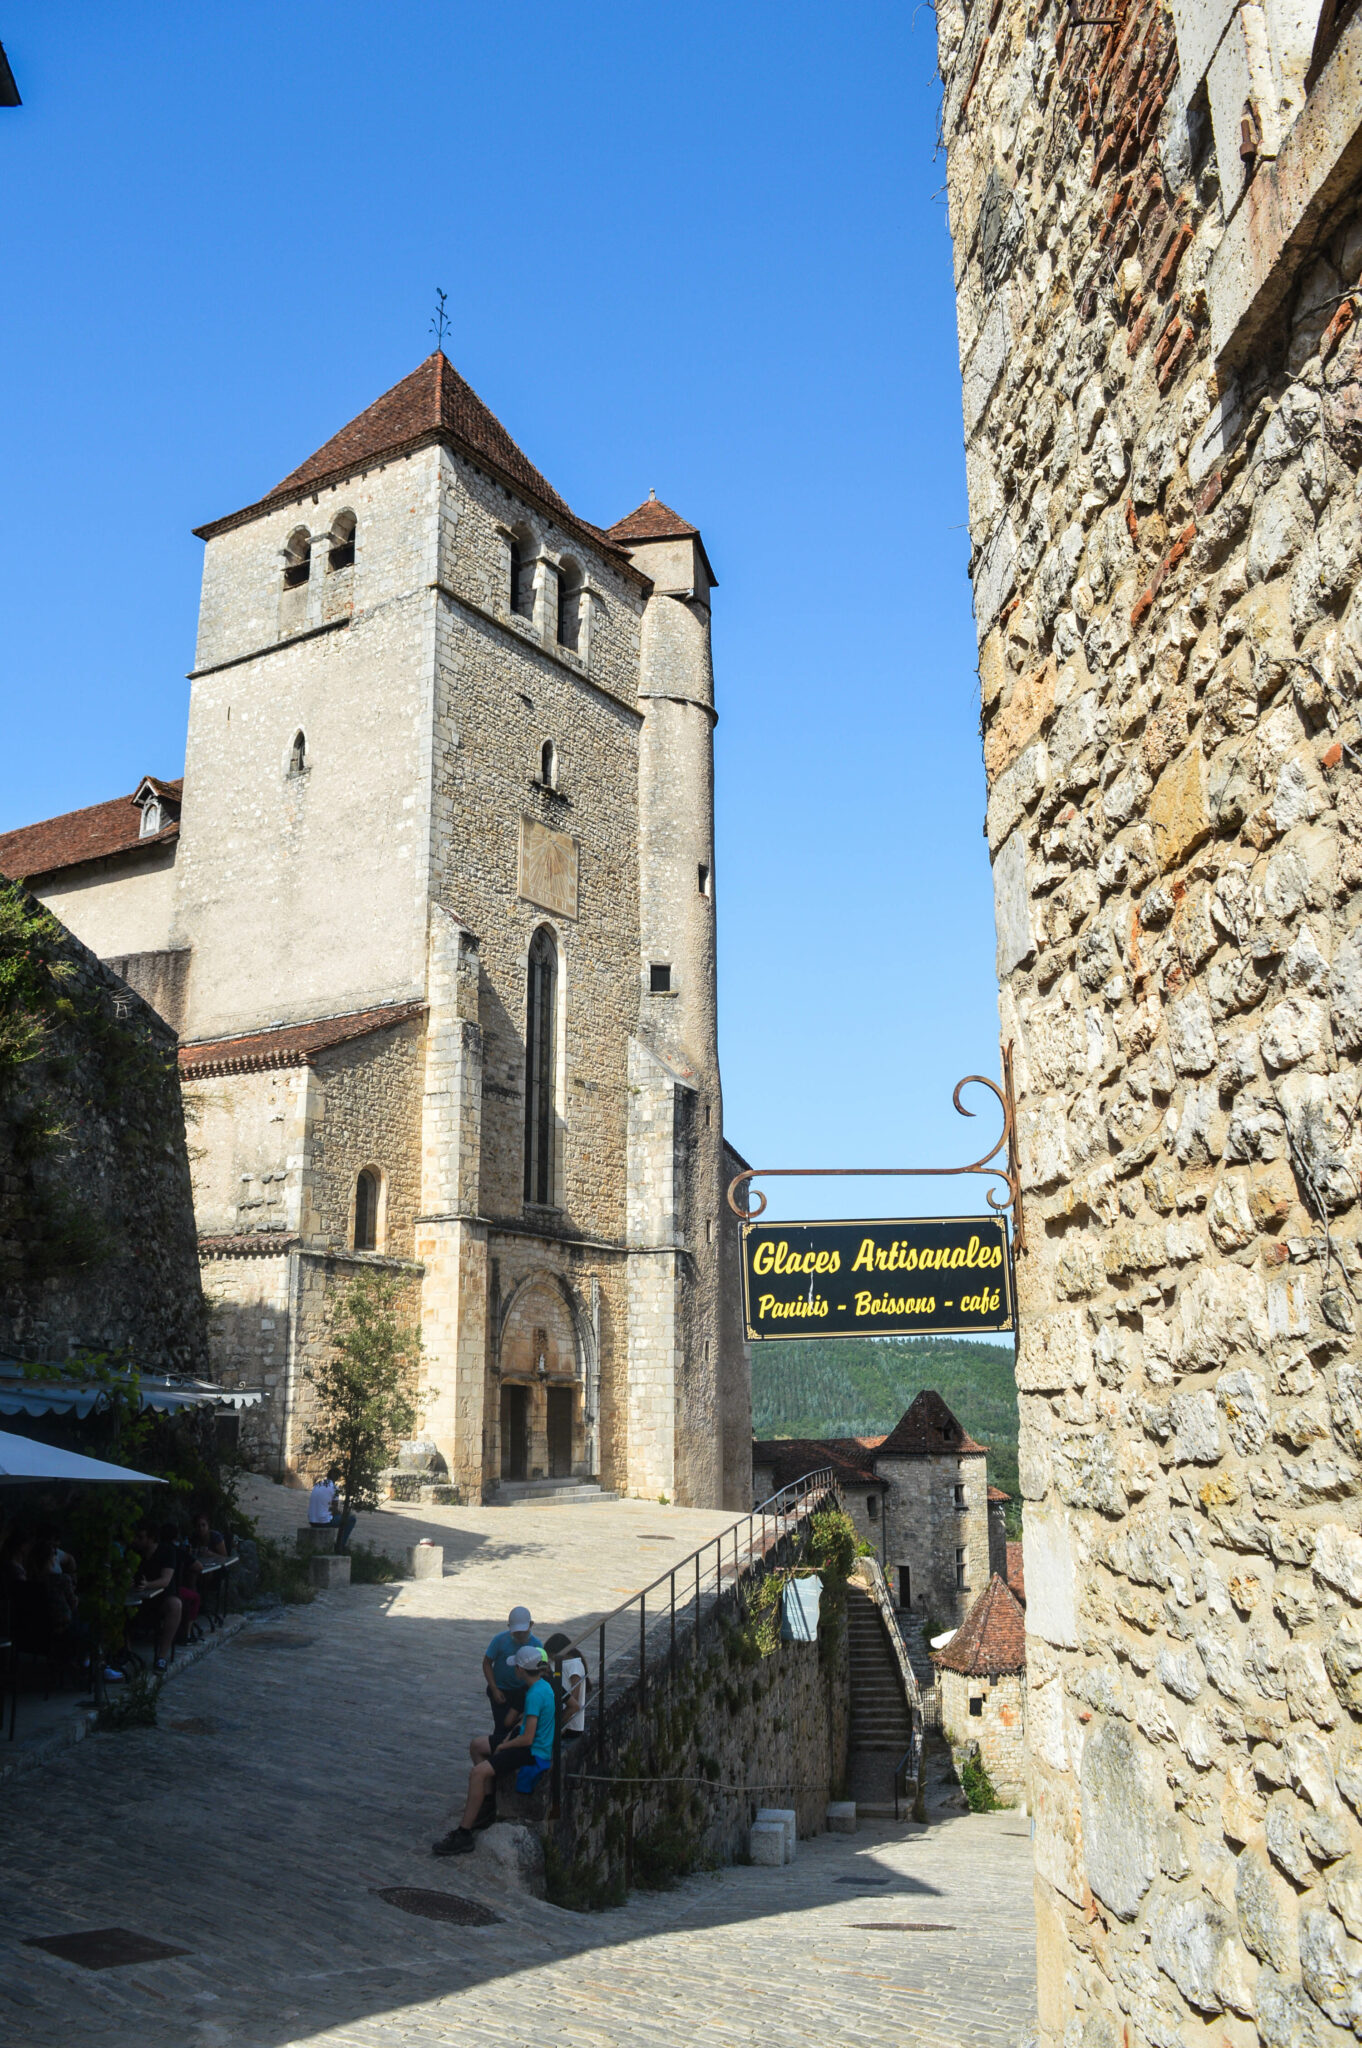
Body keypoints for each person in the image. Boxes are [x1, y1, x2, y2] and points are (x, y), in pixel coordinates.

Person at [433, 1644, 556, 1857]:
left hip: (532, 1751)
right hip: (529, 1743)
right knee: (477, 1745)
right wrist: (508, 1738)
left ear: (520, 1669)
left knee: (478, 1773)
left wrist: (503, 1746)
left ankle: (464, 1833)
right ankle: (487, 1804)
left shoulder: (535, 1694)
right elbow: (524, 1724)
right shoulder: (542, 1686)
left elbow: (527, 1738)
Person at [481, 1606, 541, 1741]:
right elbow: (487, 1663)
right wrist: (494, 1688)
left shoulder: (537, 1645)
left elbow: (540, 1672)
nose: (520, 1635)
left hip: (523, 1692)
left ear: (531, 1625)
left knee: (516, 1727)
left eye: (523, 1632)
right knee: (501, 1727)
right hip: (501, 1690)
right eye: (516, 1632)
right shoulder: (500, 1640)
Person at [131, 1524, 185, 1672]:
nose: (137, 1540)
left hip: (161, 1598)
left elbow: (165, 1580)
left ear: (151, 1538)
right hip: (135, 1598)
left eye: (141, 1537)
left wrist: (146, 1585)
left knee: (175, 1605)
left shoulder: (167, 1551)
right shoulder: (134, 1552)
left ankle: (161, 1656)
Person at [544, 1631, 587, 1742]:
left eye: (551, 1655)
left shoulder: (574, 1665)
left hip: (570, 1726)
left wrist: (560, 1724)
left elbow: (574, 1699)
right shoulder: (556, 1664)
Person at [308, 1466, 357, 1553]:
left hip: (312, 1520)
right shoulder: (334, 1488)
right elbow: (334, 1509)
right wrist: (342, 1514)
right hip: (323, 1522)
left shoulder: (318, 1484)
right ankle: (340, 1546)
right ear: (338, 1478)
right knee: (351, 1519)